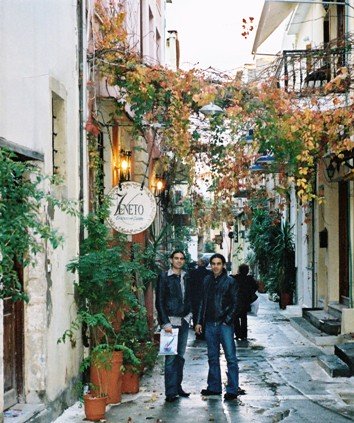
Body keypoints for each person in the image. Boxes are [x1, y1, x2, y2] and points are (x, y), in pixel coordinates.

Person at [195, 253, 244, 401]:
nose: (216, 266)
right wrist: (198, 321)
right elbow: (202, 302)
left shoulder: (230, 282)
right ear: (211, 265)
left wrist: (227, 320)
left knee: (230, 357)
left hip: (225, 326)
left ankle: (232, 389)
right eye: (213, 263)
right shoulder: (207, 280)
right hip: (210, 324)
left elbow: (236, 303)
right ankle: (214, 387)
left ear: (223, 265)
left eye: (218, 263)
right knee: (212, 357)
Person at [155, 250, 192, 402]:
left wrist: (191, 315)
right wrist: (165, 322)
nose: (179, 261)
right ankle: (170, 392)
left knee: (180, 357)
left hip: (184, 320)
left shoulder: (187, 276)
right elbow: (159, 301)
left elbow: (191, 297)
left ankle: (178, 387)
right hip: (170, 322)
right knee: (170, 357)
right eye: (176, 258)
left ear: (184, 261)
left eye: (181, 259)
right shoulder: (164, 277)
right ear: (171, 260)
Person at [232, 263, 258, 341]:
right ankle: (244, 335)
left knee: (235, 318)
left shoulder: (235, 278)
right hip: (246, 301)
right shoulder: (250, 279)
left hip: (236, 301)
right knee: (244, 318)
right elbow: (255, 287)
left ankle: (238, 334)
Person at [189, 257, 212, 338]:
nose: (197, 261)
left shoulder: (193, 272)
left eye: (199, 260)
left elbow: (190, 285)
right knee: (204, 313)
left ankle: (198, 332)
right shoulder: (209, 273)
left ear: (201, 263)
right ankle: (204, 331)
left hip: (195, 296)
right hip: (206, 296)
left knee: (196, 314)